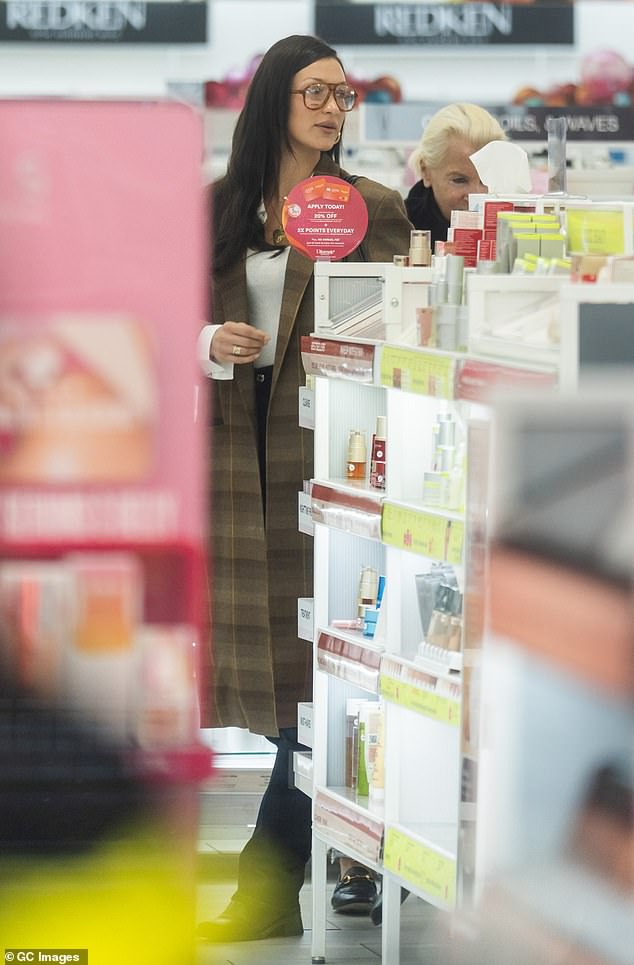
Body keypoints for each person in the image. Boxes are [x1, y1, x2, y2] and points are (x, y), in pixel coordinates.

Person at [196, 34, 413, 943]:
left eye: (344, 94)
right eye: (315, 91)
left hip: (334, 460)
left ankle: (273, 877)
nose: (332, 108)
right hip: (233, 469)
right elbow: (164, 312)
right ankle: (303, 871)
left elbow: (406, 321)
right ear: (274, 98)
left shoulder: (374, 208)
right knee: (284, 682)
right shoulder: (217, 206)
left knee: (328, 678)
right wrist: (211, 342)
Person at [404, 102, 506, 248]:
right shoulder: (398, 232)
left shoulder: (514, 226)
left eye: (486, 180)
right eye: (459, 180)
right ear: (426, 171)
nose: (475, 196)